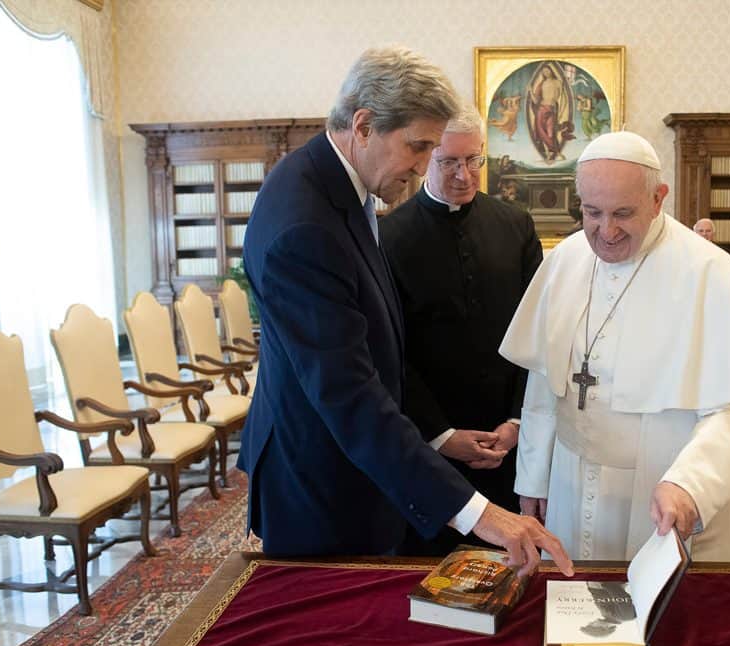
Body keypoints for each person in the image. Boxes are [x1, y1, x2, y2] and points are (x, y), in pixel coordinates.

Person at [238, 46, 572, 577]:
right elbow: (349, 397)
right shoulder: (305, 225)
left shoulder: (337, 183)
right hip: (321, 479)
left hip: (360, 463)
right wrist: (481, 515)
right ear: (365, 125)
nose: (422, 168)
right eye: (418, 147)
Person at [500, 131, 730, 562]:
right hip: (572, 485)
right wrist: (534, 478)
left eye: (623, 213)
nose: (605, 231)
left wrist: (691, 483)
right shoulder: (564, 261)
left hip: (662, 488)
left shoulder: (716, 277)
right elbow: (544, 381)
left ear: (658, 199)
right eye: (591, 212)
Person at [380, 107, 543, 555]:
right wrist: (442, 435)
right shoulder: (388, 237)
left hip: (506, 440)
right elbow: (391, 351)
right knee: (428, 573)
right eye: (449, 162)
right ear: (425, 159)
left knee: (513, 566)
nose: (464, 175)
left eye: (474, 160)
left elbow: (537, 334)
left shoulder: (516, 225)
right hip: (428, 441)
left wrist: (515, 421)